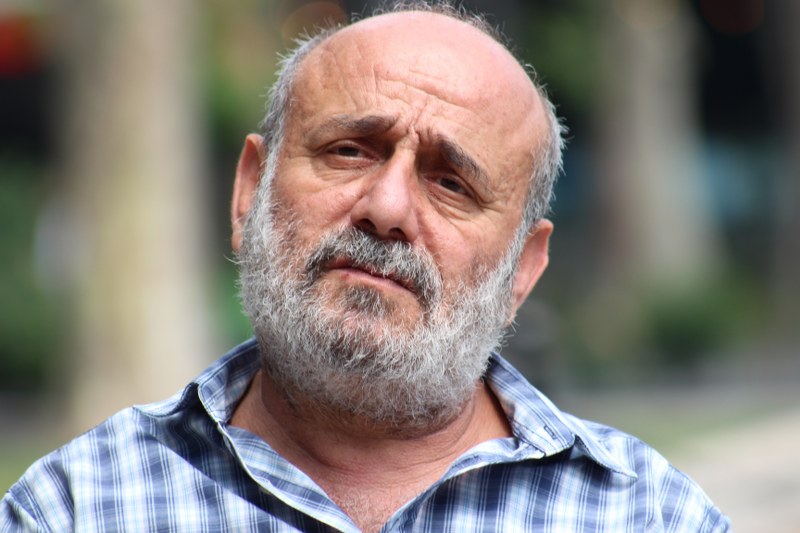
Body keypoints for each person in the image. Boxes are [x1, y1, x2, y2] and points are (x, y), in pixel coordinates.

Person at [1, 2, 730, 531]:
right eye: (349, 150)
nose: (386, 208)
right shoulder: (78, 507)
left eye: (452, 183)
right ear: (250, 191)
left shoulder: (647, 514)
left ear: (522, 270)